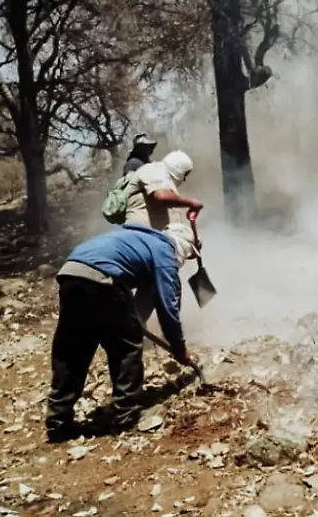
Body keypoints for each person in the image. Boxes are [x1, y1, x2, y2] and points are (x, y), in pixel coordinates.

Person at [45, 222, 199, 443]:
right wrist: (179, 349)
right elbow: (168, 309)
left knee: (73, 348)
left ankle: (58, 422)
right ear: (183, 247)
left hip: (71, 273)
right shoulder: (165, 252)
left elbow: (145, 297)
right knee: (125, 348)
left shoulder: (139, 237)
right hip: (103, 280)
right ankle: (126, 415)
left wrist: (135, 321)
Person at [124, 150, 203, 230]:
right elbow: (161, 196)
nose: (184, 179)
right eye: (185, 174)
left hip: (156, 235)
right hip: (142, 233)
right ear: (178, 168)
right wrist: (191, 203)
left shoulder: (165, 181)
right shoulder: (155, 169)